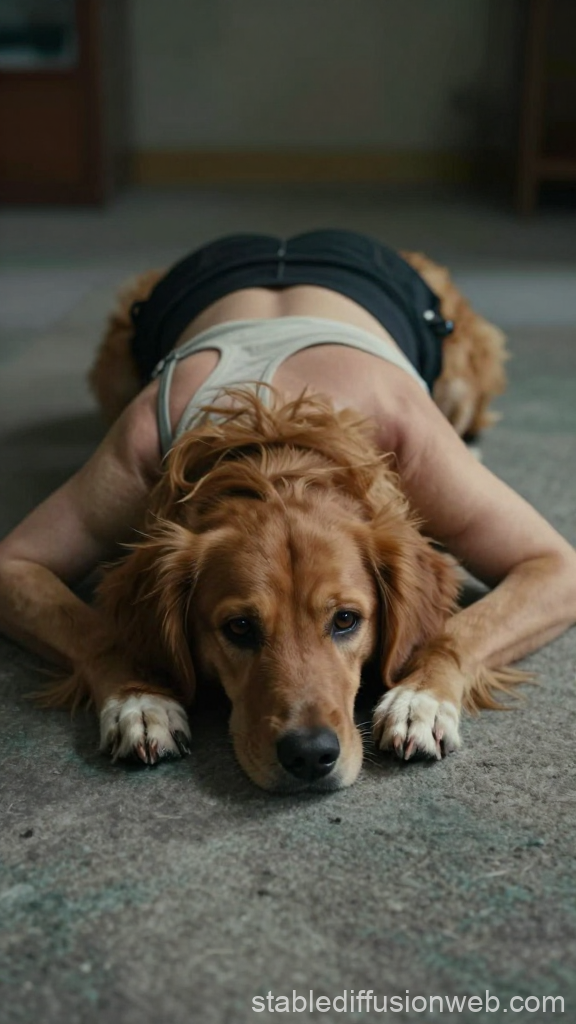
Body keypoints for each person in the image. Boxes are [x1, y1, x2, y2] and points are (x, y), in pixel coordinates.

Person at [0, 229, 574, 759]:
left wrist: (443, 664)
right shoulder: (151, 437)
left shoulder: (401, 428)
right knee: (117, 382)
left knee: (457, 396)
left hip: (370, 274)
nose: (305, 722)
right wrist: (118, 667)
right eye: (242, 629)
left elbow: (558, 571)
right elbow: (12, 567)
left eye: (345, 620)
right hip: (204, 280)